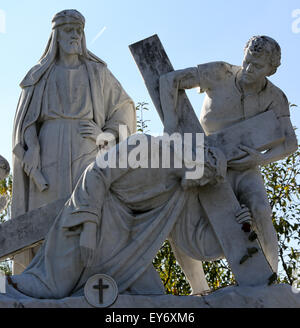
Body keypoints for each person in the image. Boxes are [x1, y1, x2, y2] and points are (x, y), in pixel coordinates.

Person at [7, 134, 229, 299]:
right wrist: (89, 229)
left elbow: (194, 241)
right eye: (206, 176)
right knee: (48, 289)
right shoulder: (145, 146)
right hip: (90, 218)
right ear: (198, 160)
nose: (201, 184)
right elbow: (95, 173)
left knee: (153, 297)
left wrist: (246, 230)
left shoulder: (179, 191)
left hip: (127, 247)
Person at [11, 9, 136, 274]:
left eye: (79, 31)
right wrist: (32, 148)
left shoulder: (98, 72)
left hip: (86, 149)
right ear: (56, 36)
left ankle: (89, 278)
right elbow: (27, 122)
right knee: (47, 217)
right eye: (69, 30)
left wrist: (105, 135)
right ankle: (43, 279)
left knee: (88, 213)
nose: (75, 36)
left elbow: (124, 108)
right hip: (48, 155)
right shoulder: (39, 75)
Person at [159, 36, 298, 273]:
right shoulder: (220, 72)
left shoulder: (276, 97)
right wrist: (171, 124)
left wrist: (260, 159)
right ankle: (197, 285)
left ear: (271, 70)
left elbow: (291, 143)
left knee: (260, 211)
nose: (248, 69)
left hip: (245, 167)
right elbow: (168, 79)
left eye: (257, 66)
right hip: (203, 160)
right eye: (247, 61)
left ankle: (271, 282)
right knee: (174, 213)